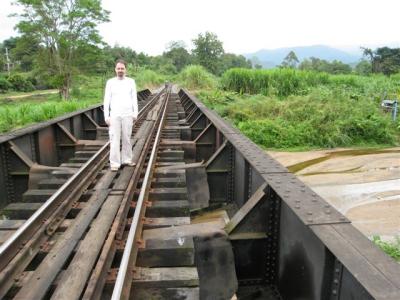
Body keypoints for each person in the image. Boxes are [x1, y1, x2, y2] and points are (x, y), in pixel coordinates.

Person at [103, 59, 138, 171]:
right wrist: (106, 116)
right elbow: (106, 100)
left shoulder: (131, 81)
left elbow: (134, 99)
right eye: (118, 68)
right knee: (114, 139)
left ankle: (127, 160)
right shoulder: (110, 82)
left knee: (127, 138)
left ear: (125, 69)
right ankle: (114, 163)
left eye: (122, 68)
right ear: (115, 69)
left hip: (128, 114)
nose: (120, 70)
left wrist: (135, 113)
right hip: (114, 115)